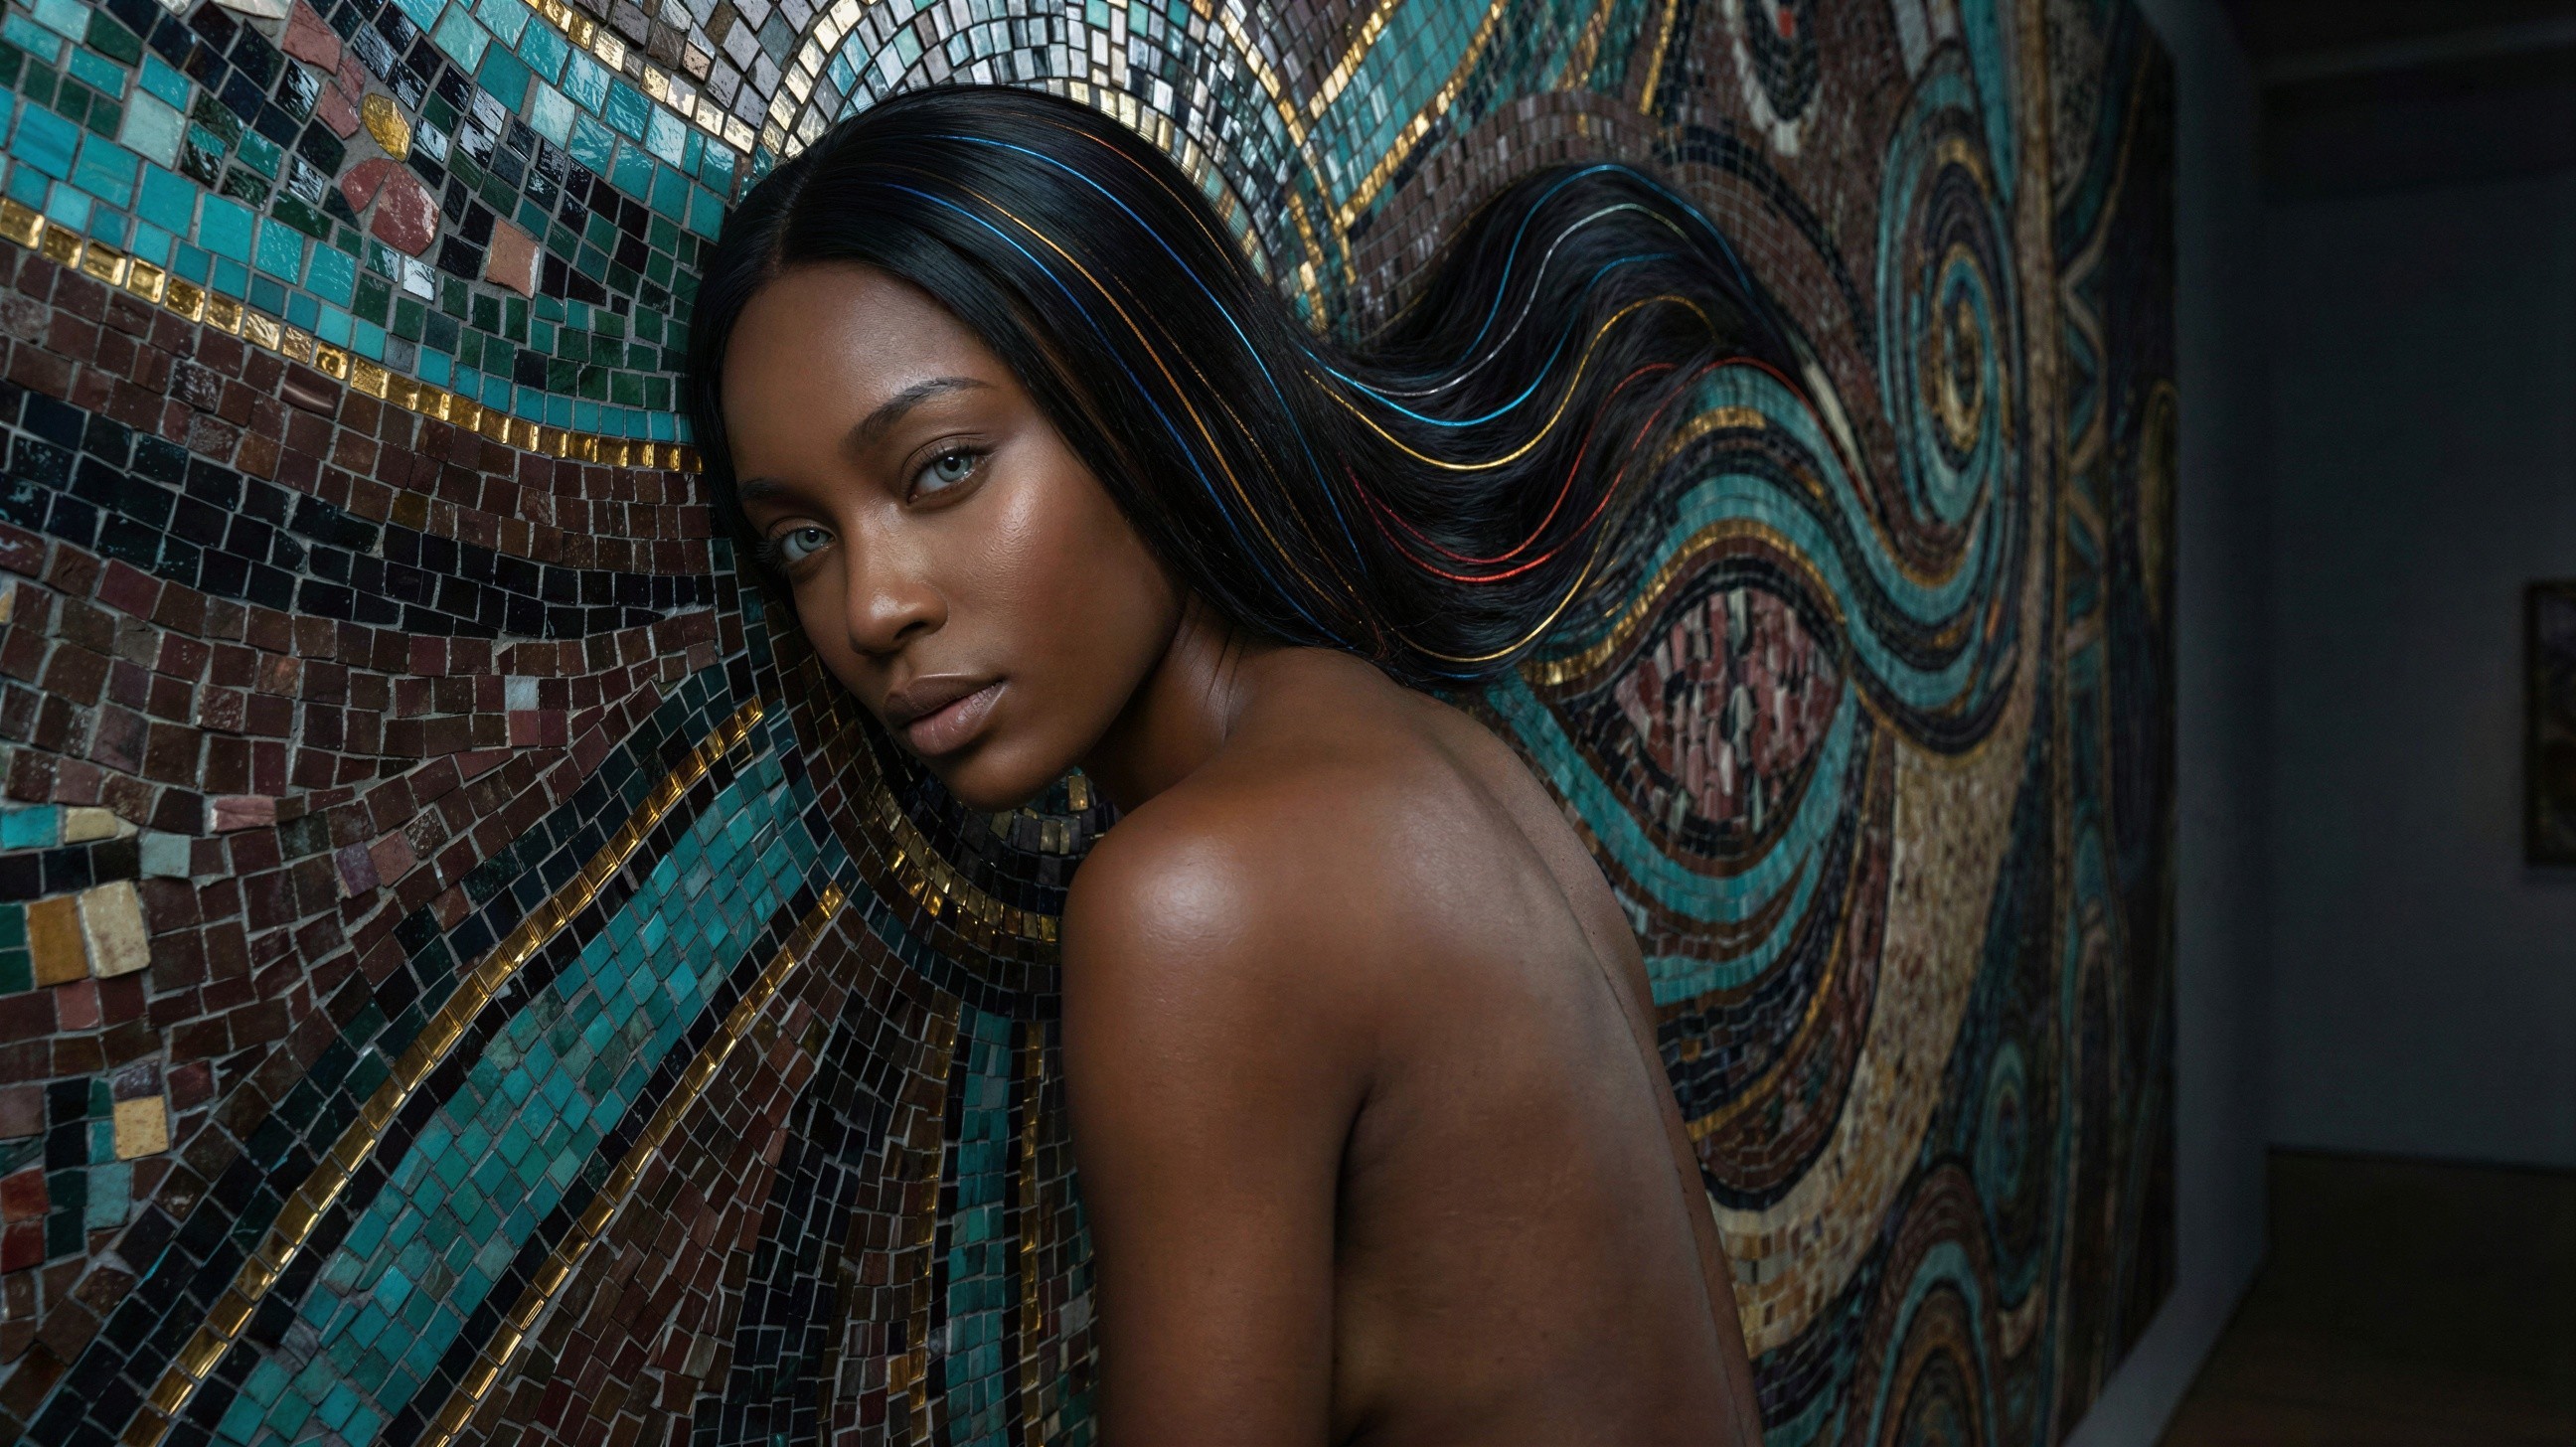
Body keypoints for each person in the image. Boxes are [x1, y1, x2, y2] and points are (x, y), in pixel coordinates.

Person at [688, 83, 1771, 1444]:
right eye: (802, 541)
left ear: (1152, 400)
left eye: (943, 468)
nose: (871, 606)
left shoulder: (1200, 900)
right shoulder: (1439, 759)